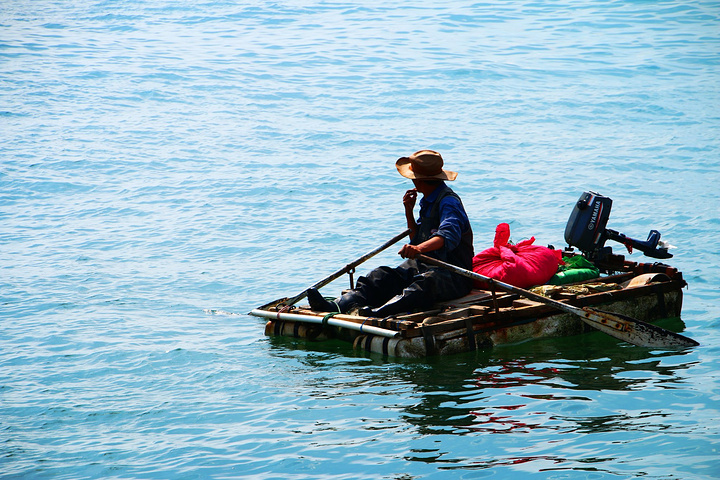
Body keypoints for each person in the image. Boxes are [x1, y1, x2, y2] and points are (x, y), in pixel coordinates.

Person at [307, 149, 474, 317]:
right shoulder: (427, 201)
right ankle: (336, 306)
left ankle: (377, 313)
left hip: (453, 274)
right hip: (423, 265)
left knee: (423, 285)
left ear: (418, 180)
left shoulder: (449, 202)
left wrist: (418, 250)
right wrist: (409, 211)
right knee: (380, 276)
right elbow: (416, 240)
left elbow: (447, 236)